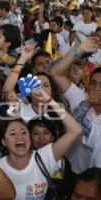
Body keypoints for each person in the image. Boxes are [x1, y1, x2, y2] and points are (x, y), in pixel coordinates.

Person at [0, 87, 83, 199]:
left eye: (24, 132)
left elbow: (76, 130)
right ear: (3, 141)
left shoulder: (44, 157)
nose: (20, 137)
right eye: (12, 134)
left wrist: (48, 100)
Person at [50, 36, 100, 173]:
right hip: (67, 170)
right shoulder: (79, 97)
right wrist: (77, 51)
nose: (96, 88)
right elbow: (55, 73)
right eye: (93, 83)